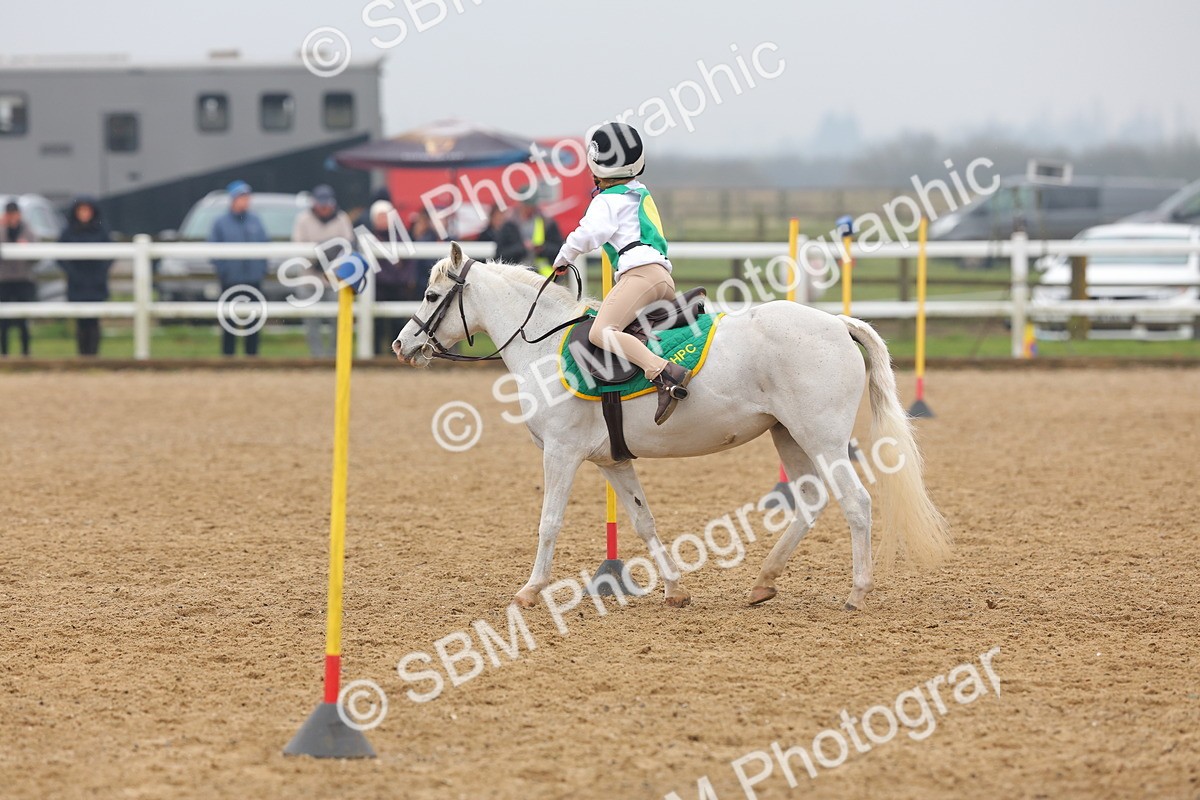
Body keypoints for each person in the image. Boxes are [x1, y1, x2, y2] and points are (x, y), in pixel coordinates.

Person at [552, 122, 690, 425]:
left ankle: (664, 373)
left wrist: (563, 257)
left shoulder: (607, 200)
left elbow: (590, 233)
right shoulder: (639, 191)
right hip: (660, 278)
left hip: (639, 276)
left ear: (594, 166)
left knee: (600, 331)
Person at [292, 184, 354, 358]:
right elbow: (299, 247)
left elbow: (348, 245)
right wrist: (320, 256)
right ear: (314, 203)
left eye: (327, 203)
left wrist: (328, 257)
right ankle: (316, 356)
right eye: (321, 204)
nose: (324, 207)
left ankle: (335, 355)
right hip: (309, 276)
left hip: (334, 277)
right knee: (311, 320)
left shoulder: (341, 218)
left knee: (338, 319)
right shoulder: (303, 219)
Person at [209, 180, 269, 357]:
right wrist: (224, 270)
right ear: (233, 199)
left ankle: (252, 354)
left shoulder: (256, 220)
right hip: (230, 279)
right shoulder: (220, 223)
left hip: (253, 278)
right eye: (242, 197)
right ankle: (228, 354)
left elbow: (265, 245)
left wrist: (261, 270)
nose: (246, 200)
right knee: (229, 318)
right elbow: (213, 249)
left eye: (247, 197)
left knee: (254, 317)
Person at [58, 197, 113, 356]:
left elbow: (111, 254)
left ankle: (93, 355)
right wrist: (72, 272)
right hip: (77, 281)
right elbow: (59, 256)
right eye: (81, 210)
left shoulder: (101, 230)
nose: (84, 214)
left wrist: (101, 272)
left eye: (87, 210)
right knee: (81, 321)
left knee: (94, 321)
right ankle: (82, 355)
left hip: (96, 282)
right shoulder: (68, 231)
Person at [367, 200, 418, 355]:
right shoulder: (369, 238)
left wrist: (403, 279)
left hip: (399, 288)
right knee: (378, 326)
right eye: (380, 217)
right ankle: (375, 355)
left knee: (399, 326)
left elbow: (410, 262)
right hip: (379, 289)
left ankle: (397, 355)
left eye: (385, 216)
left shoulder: (401, 237)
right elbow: (374, 267)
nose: (383, 220)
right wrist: (392, 277)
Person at [0, 201, 37, 357]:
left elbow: (37, 256)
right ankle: (5, 352)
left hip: (23, 279)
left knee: (23, 318)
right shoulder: (1, 230)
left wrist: (27, 249)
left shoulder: (28, 231)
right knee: (4, 321)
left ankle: (25, 351)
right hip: (4, 279)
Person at [496, 196, 563, 273]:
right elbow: (500, 254)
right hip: (516, 275)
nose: (529, 209)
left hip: (543, 275)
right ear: (520, 204)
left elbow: (558, 249)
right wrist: (522, 248)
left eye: (531, 206)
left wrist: (542, 248)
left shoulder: (548, 222)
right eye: (527, 206)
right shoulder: (509, 225)